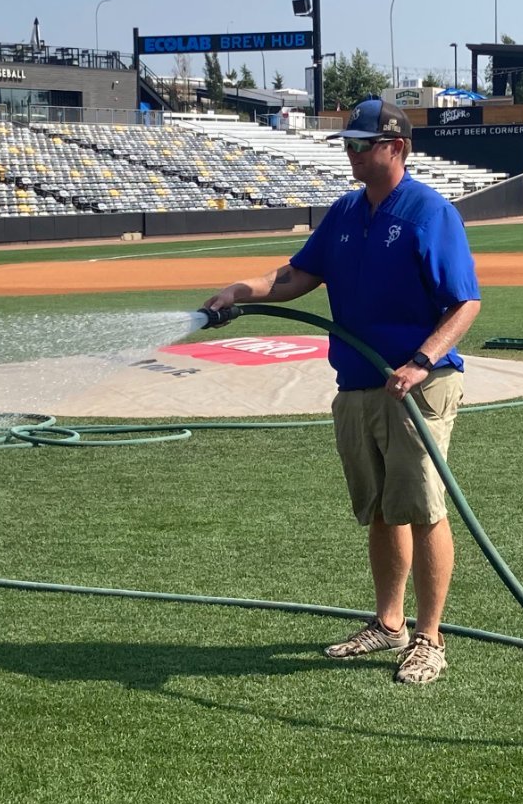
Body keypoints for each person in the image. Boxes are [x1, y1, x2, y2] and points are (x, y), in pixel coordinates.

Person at [202, 97, 481, 685]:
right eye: (348, 143)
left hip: (415, 386)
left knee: (424, 509)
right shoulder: (345, 212)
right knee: (380, 509)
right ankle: (389, 622)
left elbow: (466, 302)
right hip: (356, 383)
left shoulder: (430, 212)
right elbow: (297, 275)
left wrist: (421, 361)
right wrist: (240, 290)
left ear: (396, 147)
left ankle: (430, 638)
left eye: (363, 143)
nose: (352, 153)